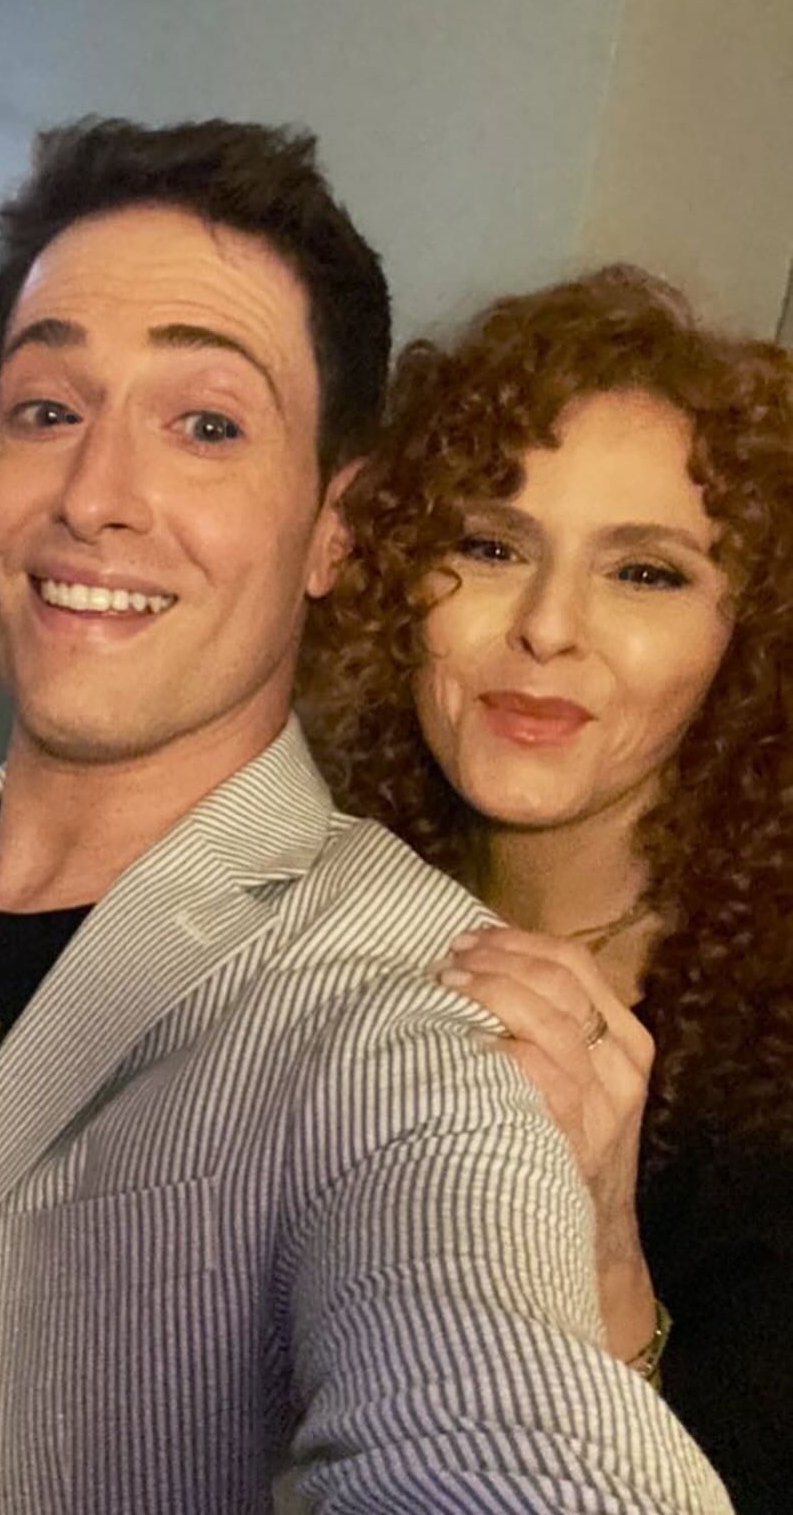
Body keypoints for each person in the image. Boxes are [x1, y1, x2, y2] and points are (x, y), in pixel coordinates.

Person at [0, 124, 729, 1515]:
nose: (96, 496)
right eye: (48, 410)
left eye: (207, 425)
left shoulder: (402, 1012)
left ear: (336, 525)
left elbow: (495, 1410)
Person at [299, 265, 792, 1513]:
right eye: (489, 546)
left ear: (745, 637)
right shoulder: (305, 898)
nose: (547, 626)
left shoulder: (766, 1086)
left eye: (645, 573)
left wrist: (605, 1260)